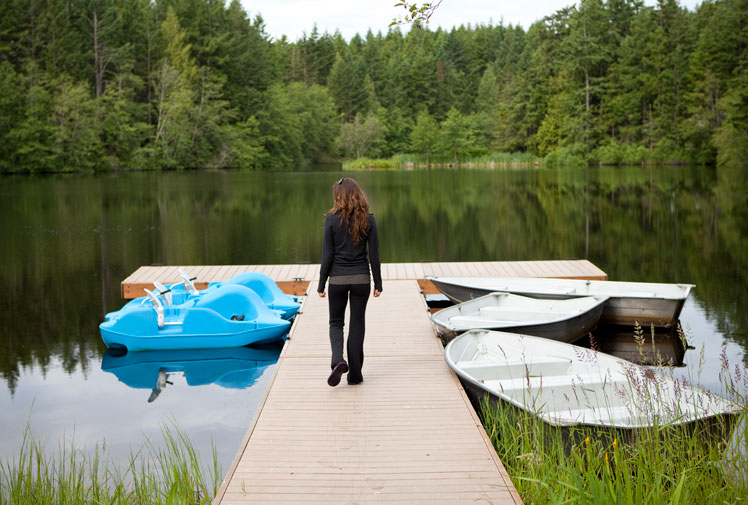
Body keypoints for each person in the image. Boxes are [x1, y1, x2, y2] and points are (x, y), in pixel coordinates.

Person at [317, 177, 382, 387]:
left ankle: (338, 360)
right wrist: (378, 283)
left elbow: (327, 255)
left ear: (338, 197)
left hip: (337, 279)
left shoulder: (330, 220)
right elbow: (374, 255)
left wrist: (321, 284)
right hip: (362, 279)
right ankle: (355, 375)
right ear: (358, 194)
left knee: (336, 323)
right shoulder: (369, 219)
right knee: (357, 324)